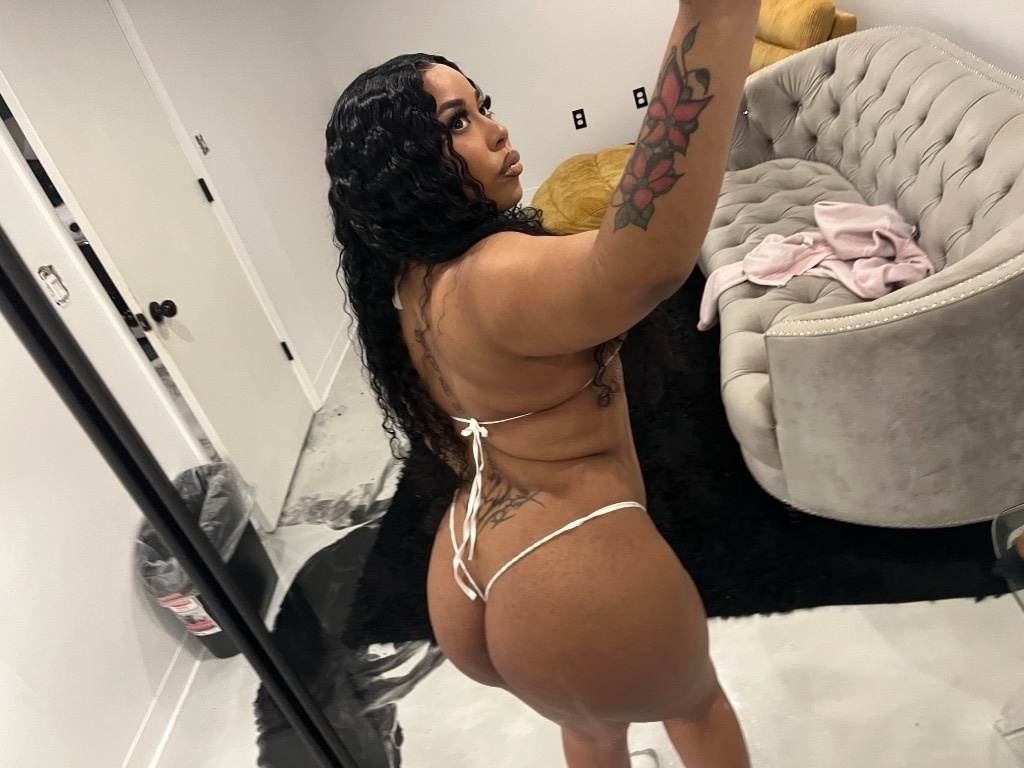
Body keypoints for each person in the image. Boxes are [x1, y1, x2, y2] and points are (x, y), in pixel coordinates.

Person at [325, 2, 760, 765]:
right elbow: (644, 259)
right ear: (407, 169)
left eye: (482, 106)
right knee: (697, 707)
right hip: (566, 579)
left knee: (591, 727)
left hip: (472, 564)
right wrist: (717, 15)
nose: (496, 130)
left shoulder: (411, 288)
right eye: (457, 123)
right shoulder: (495, 274)